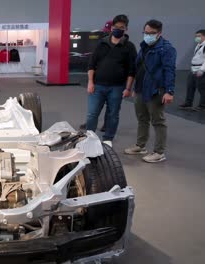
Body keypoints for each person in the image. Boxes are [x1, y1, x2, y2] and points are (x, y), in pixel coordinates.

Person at [124, 19, 177, 163]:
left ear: (159, 33)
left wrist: (169, 91)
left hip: (156, 90)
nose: (147, 35)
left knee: (158, 121)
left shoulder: (166, 49)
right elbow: (139, 68)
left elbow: (169, 70)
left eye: (151, 33)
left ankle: (159, 152)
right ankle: (140, 146)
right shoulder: (144, 46)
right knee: (142, 119)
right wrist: (136, 88)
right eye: (145, 33)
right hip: (141, 89)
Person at [85, 15, 137, 147]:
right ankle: (89, 137)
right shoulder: (102, 43)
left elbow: (132, 70)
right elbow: (92, 64)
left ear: (126, 29)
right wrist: (90, 82)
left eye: (122, 27)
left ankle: (108, 138)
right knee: (92, 113)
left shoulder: (129, 47)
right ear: (112, 27)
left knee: (113, 114)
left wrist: (128, 88)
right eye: (116, 27)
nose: (118, 29)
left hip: (117, 87)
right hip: (97, 86)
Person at [179, 29, 205, 111]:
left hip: (200, 68)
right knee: (190, 86)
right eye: (196, 36)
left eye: (199, 36)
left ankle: (202, 105)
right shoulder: (198, 45)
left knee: (201, 88)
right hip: (193, 68)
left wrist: (202, 70)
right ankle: (188, 103)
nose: (197, 38)